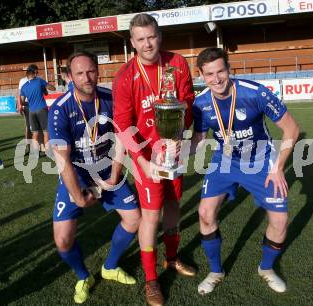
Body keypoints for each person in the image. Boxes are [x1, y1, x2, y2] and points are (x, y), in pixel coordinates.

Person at [190, 48, 300, 295]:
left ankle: (267, 268)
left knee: (280, 221)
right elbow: (198, 140)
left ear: (229, 69)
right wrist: (175, 151)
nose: (216, 79)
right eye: (209, 74)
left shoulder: (255, 93)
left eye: (220, 71)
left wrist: (278, 168)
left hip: (261, 161)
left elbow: (292, 129)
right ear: (201, 75)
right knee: (205, 214)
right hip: (225, 160)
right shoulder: (200, 103)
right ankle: (216, 271)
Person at [113, 13, 195, 306]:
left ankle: (171, 259)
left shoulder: (178, 63)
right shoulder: (125, 77)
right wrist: (141, 160)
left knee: (174, 204)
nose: (148, 44)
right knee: (151, 215)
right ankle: (151, 281)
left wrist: (181, 135)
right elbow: (122, 126)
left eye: (152, 36)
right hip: (146, 158)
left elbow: (188, 100)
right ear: (132, 42)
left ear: (159, 36)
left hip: (174, 151)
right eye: (141, 39)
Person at [49, 50, 141, 304]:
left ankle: (109, 267)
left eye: (90, 71)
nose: (86, 77)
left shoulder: (111, 99)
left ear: (97, 71)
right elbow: (62, 159)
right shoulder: (59, 109)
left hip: (106, 167)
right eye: (79, 73)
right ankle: (82, 276)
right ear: (70, 76)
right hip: (76, 172)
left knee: (134, 219)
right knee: (63, 240)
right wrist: (78, 196)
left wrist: (114, 176)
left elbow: (123, 139)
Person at [20, 65, 55, 154]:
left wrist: (31, 102)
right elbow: (52, 88)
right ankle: (48, 152)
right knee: (46, 132)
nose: (37, 74)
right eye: (36, 72)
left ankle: (35, 154)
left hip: (31, 111)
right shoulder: (39, 81)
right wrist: (45, 87)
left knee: (35, 133)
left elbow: (22, 101)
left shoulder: (24, 86)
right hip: (42, 109)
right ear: (34, 73)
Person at [17, 65, 36, 154]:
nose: (36, 73)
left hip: (36, 105)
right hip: (27, 105)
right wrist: (19, 105)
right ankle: (28, 147)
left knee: (38, 127)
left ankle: (38, 147)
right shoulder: (23, 80)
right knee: (28, 127)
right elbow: (19, 94)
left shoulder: (37, 79)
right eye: (35, 71)